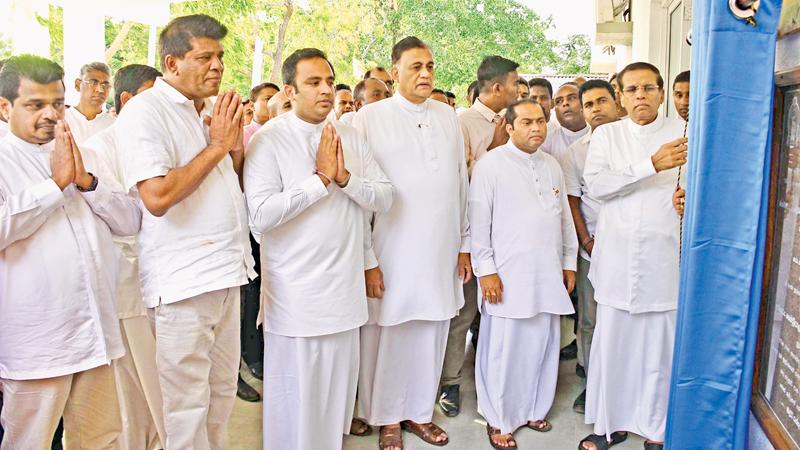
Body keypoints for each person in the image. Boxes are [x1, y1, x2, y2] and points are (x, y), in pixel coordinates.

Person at [116, 14, 256, 449]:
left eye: (220, 57)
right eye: (204, 57)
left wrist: (230, 151)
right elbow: (156, 197)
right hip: (184, 284)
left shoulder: (210, 112)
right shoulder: (145, 112)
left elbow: (219, 184)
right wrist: (217, 146)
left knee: (219, 398)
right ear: (171, 63)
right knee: (185, 408)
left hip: (229, 273)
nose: (216, 66)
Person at [245, 47, 393, 450]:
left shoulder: (351, 135)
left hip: (343, 293)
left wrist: (345, 178)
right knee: (294, 403)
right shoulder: (269, 141)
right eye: (314, 82)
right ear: (290, 91)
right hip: (296, 299)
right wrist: (319, 182)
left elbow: (382, 199)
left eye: (329, 80)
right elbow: (260, 217)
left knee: (334, 399)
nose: (326, 89)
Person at [0, 54, 141, 450]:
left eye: (57, 103)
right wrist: (53, 186)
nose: (51, 114)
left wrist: (85, 181)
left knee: (101, 441)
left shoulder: (87, 155)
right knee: (29, 443)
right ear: (4, 107)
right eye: (35, 104)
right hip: (37, 345)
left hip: (96, 334)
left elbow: (130, 221)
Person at [352, 36, 471, 450]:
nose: (425, 74)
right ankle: (385, 417)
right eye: (416, 66)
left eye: (431, 66)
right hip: (391, 247)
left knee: (431, 331)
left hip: (440, 248)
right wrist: (367, 257)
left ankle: (419, 412)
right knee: (389, 333)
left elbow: (460, 183)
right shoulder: (369, 118)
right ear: (394, 70)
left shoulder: (447, 116)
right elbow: (359, 195)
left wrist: (465, 244)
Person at [580, 62, 687, 450]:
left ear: (661, 93)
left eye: (648, 88)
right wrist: (650, 165)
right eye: (632, 90)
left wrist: (686, 200)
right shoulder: (607, 136)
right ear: (621, 97)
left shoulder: (683, 133)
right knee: (615, 347)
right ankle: (609, 424)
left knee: (660, 349)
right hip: (618, 259)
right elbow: (599, 185)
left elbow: (693, 185)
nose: (641, 96)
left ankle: (657, 427)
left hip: (664, 258)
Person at [470, 99, 577, 449]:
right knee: (505, 349)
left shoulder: (551, 165)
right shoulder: (491, 165)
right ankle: (499, 417)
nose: (537, 128)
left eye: (541, 122)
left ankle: (534, 407)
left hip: (546, 272)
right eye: (527, 122)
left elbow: (563, 220)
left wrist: (568, 262)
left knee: (543, 344)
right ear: (510, 127)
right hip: (507, 275)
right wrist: (486, 271)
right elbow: (478, 223)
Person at [80, 63, 166, 450]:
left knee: (162, 383)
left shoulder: (158, 140)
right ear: (128, 100)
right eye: (153, 95)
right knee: (132, 389)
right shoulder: (100, 148)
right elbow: (124, 219)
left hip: (165, 279)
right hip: (127, 282)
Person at [438, 55, 519, 418]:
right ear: (498, 87)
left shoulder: (514, 122)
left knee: (500, 309)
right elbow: (459, 181)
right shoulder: (463, 123)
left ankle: (493, 375)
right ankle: (450, 381)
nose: (520, 90)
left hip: (508, 235)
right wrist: (498, 148)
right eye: (516, 84)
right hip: (472, 234)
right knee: (464, 310)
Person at [560, 79, 620, 415]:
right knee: (590, 319)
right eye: (589, 105)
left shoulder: (634, 143)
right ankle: (591, 382)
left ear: (618, 103)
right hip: (593, 249)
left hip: (631, 248)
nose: (596, 109)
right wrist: (586, 242)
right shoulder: (576, 152)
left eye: (602, 101)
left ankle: (620, 384)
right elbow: (573, 201)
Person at [65, 62, 115, 144]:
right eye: (93, 82)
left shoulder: (114, 125)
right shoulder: (61, 121)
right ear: (78, 85)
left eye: (105, 85)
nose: (100, 90)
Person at [541, 82, 590, 162]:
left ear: (584, 102)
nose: (565, 103)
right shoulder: (545, 143)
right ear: (554, 109)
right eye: (559, 101)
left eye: (571, 98)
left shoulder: (598, 136)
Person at [244, 82, 280, 148]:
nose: (274, 103)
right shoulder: (242, 135)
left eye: (277, 100)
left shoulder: (285, 132)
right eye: (268, 99)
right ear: (252, 105)